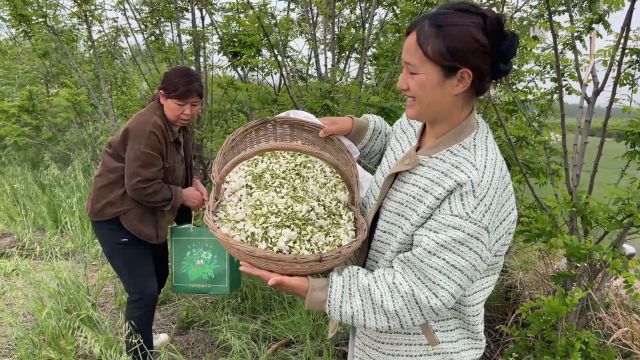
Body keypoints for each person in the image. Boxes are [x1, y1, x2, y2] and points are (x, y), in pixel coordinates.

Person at [239, 2, 519, 359]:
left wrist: (319, 290)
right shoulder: (419, 122)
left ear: (461, 80)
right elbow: (398, 152)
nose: (401, 84)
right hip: (374, 340)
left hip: (420, 350)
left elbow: (415, 292)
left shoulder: (474, 188)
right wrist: (357, 131)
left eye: (413, 72)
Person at [86, 66, 208, 359]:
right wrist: (182, 196)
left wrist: (193, 181)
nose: (188, 112)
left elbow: (180, 161)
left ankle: (142, 334)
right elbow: (140, 185)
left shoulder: (179, 124)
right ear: (162, 96)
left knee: (159, 274)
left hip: (147, 215)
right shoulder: (146, 128)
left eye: (195, 105)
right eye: (181, 105)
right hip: (116, 215)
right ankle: (138, 352)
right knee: (143, 290)